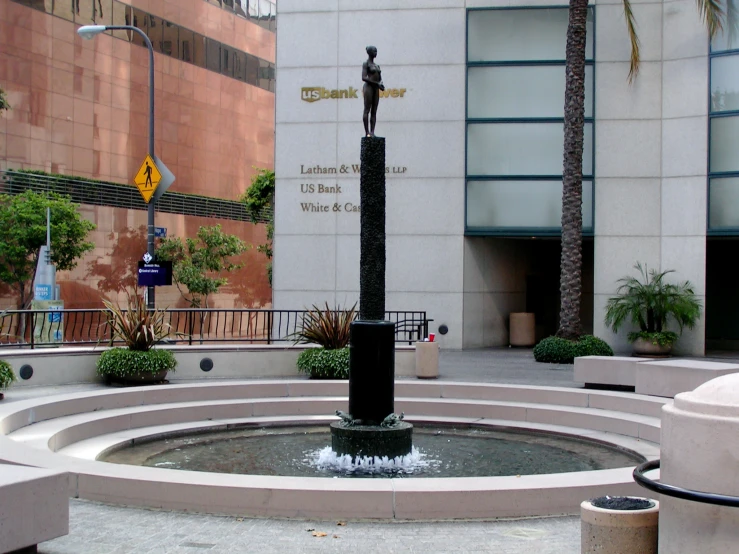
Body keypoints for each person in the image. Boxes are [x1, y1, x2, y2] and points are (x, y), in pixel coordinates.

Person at [362, 45, 384, 137]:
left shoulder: (377, 65)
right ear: (370, 52)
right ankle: (367, 132)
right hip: (369, 88)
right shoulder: (366, 64)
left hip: (376, 88)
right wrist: (376, 83)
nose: (376, 53)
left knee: (374, 111)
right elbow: (363, 77)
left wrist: (381, 84)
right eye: (374, 51)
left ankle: (372, 132)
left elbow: (380, 78)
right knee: (367, 109)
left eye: (376, 51)